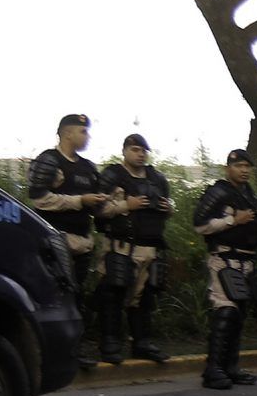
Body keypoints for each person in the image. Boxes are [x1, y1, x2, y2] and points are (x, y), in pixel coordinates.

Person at [28, 113, 109, 368]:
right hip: (55, 241)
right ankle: (49, 354)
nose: (87, 137)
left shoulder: (87, 167)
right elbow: (39, 199)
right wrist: (79, 201)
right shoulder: (49, 161)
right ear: (67, 133)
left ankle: (73, 352)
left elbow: (97, 207)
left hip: (83, 242)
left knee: (76, 298)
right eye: (83, 132)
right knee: (53, 298)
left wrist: (112, 203)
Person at [96, 133, 174, 364]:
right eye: (135, 150)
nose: (140, 154)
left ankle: (141, 343)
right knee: (113, 294)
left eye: (143, 150)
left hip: (149, 247)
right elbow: (99, 210)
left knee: (144, 298)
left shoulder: (157, 178)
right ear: (125, 150)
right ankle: (110, 343)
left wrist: (168, 208)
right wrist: (125, 205)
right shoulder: (112, 175)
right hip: (120, 246)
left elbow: (166, 208)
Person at [194, 149, 257, 390]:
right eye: (239, 166)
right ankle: (212, 369)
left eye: (247, 166)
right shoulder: (219, 192)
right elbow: (200, 224)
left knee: (238, 316)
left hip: (246, 261)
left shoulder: (247, 194)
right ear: (228, 168)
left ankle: (230, 367)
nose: (244, 170)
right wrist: (233, 220)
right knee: (225, 312)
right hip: (224, 260)